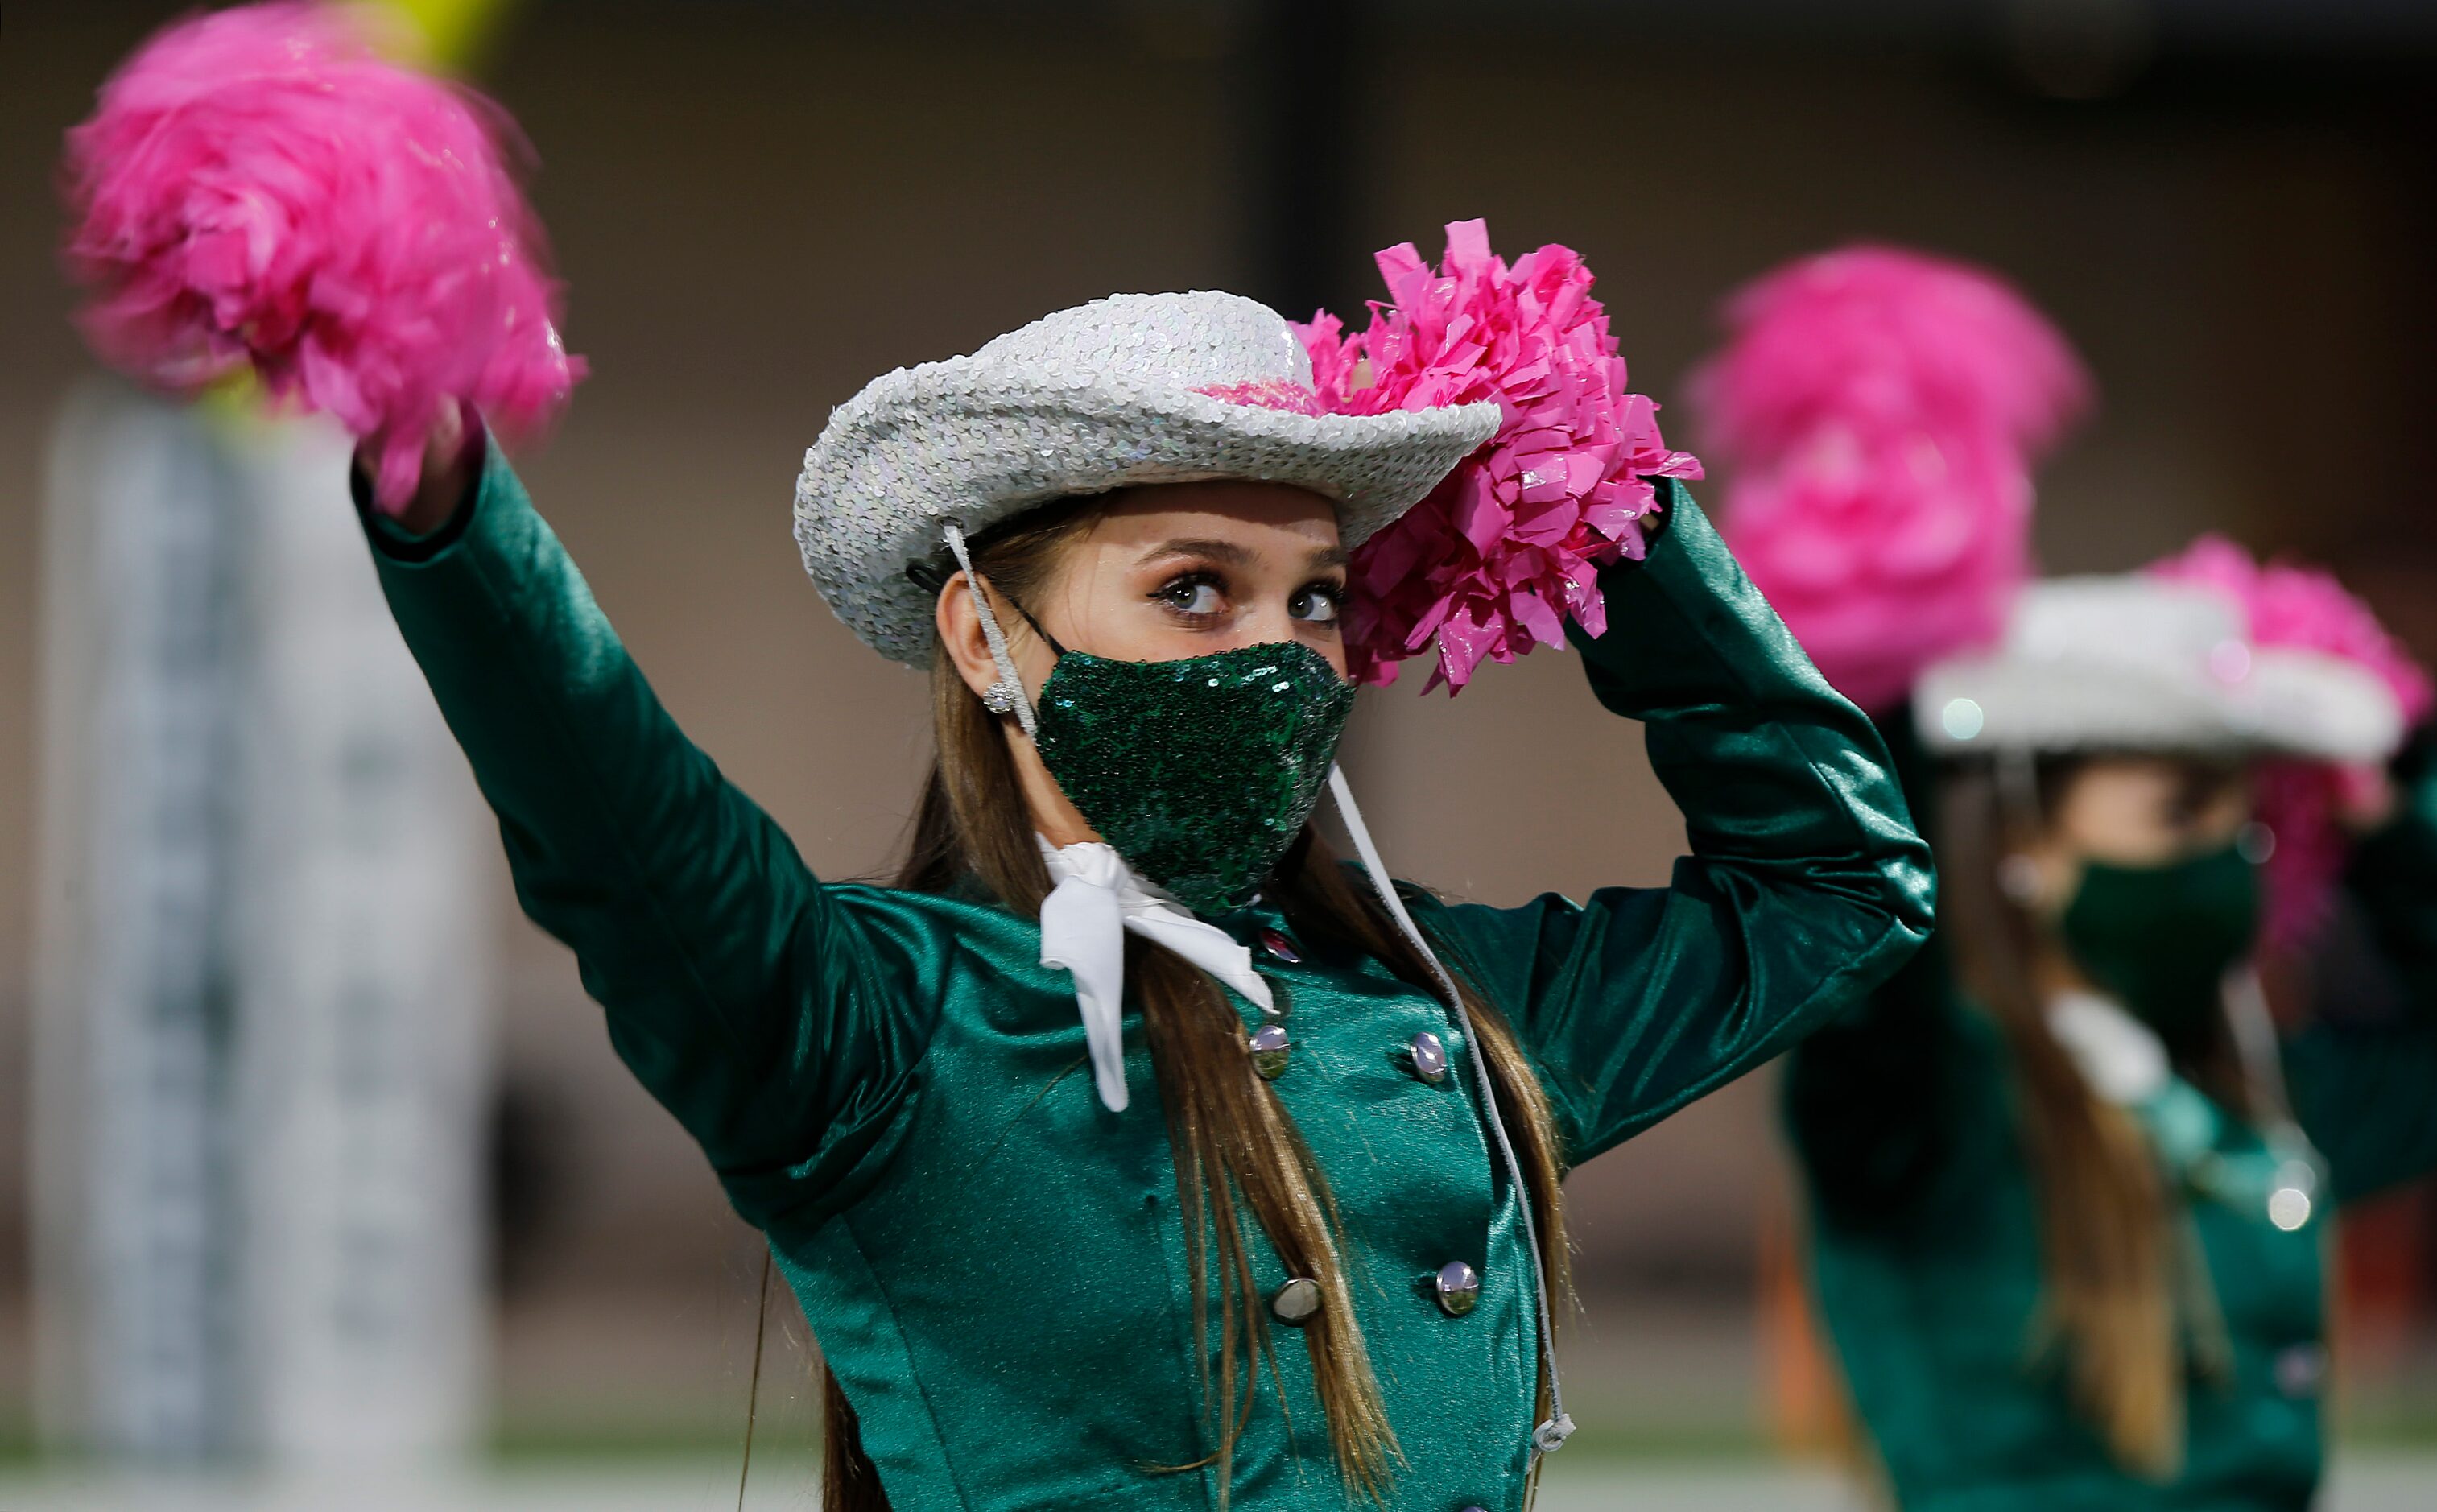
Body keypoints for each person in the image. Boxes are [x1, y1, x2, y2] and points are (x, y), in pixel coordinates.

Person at [356, 289, 1931, 1510]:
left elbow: (1839, 886)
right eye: (1192, 588)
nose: (1270, 652)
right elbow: (616, 815)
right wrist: (449, 514)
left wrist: (1616, 516)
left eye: (1312, 598)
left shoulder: (1437, 1008)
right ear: (982, 640)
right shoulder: (881, 1031)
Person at [1784, 571, 2437, 1509]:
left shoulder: (2252, 1098)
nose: (2224, 859)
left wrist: (2394, 816)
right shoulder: (1925, 1100)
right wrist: (1895, 687)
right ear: (2025, 848)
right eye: (2178, 815)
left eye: (2245, 824)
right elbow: (1865, 950)